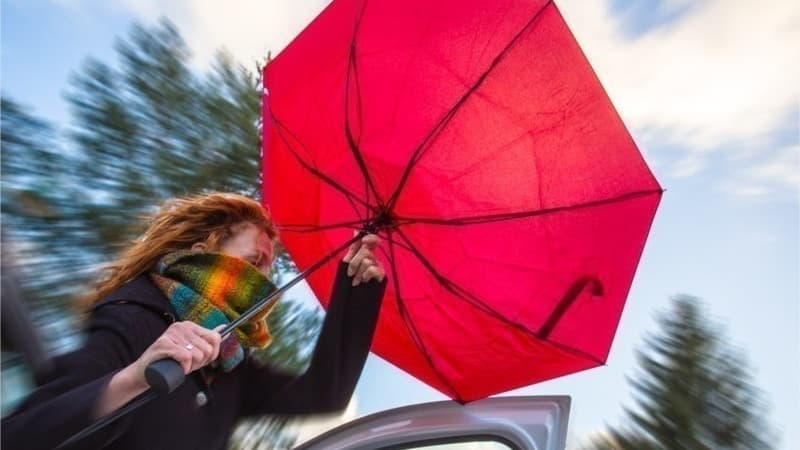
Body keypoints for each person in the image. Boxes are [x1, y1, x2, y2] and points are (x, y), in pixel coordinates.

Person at [1, 192, 387, 450]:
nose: (263, 282)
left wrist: (356, 292)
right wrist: (134, 379)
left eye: (268, 271)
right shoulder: (133, 317)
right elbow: (22, 436)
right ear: (204, 249)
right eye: (253, 262)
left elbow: (324, 395)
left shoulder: (234, 368)